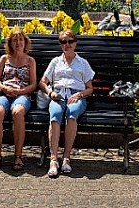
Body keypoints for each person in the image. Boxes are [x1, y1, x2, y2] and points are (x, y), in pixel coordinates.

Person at [39, 30, 94, 178]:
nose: (67, 45)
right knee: (55, 115)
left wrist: (79, 94)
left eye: (70, 41)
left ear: (75, 43)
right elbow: (42, 82)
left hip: (76, 96)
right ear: (60, 44)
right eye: (63, 42)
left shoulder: (82, 63)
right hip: (58, 95)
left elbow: (90, 89)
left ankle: (66, 158)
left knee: (71, 114)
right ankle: (53, 159)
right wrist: (50, 93)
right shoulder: (55, 62)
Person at [0, 29, 36, 171]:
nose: (18, 43)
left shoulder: (30, 61)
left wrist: (21, 91)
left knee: (18, 112)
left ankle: (18, 156)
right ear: (10, 43)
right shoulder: (4, 58)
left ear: (25, 42)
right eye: (14, 40)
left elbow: (33, 84)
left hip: (22, 95)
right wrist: (4, 88)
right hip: (4, 93)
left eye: (20, 39)